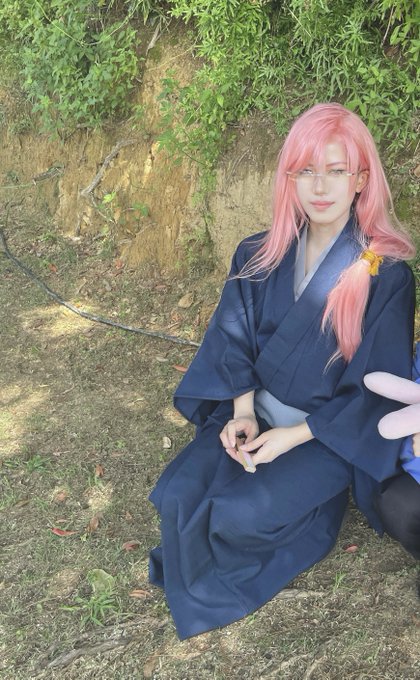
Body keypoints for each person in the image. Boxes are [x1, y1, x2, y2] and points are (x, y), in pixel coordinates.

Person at [149, 103, 416, 639]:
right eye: (306, 170)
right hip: (260, 411)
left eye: (336, 170)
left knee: (237, 515)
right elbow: (231, 338)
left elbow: (372, 389)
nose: (320, 186)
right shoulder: (258, 253)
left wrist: (292, 438)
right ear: (289, 177)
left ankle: (315, 516)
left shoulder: (387, 275)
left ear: (360, 179)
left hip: (326, 436)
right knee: (177, 493)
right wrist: (242, 413)